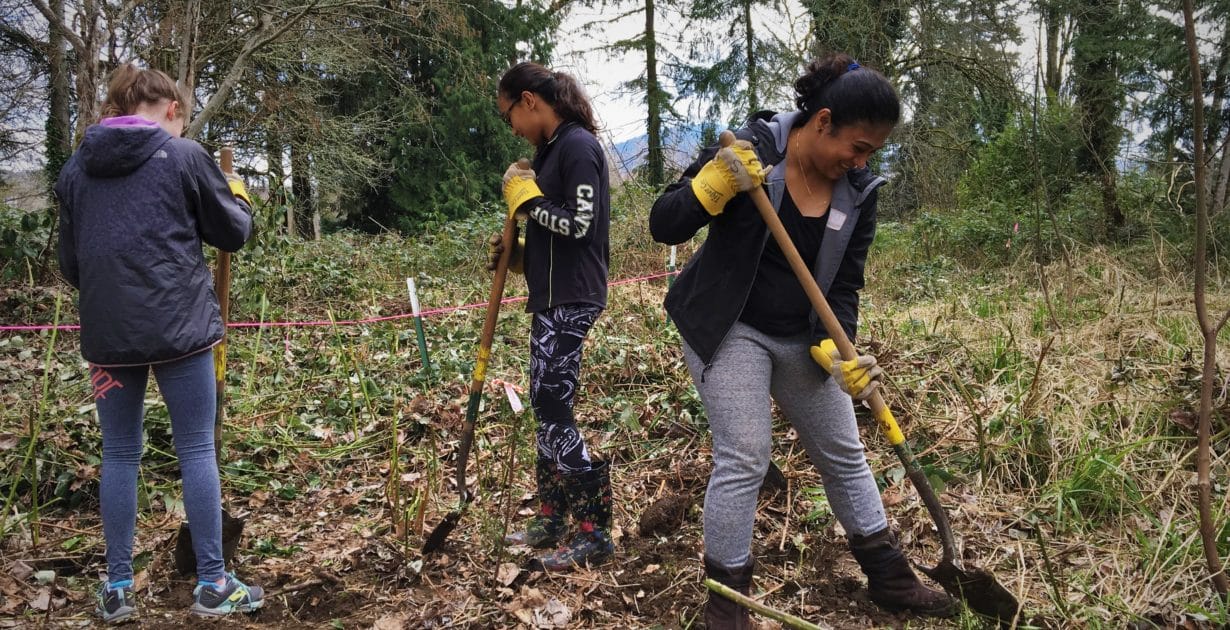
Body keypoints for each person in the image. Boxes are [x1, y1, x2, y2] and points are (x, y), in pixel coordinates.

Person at [649, 54, 957, 626]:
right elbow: (664, 222)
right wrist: (712, 183)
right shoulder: (749, 149)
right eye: (858, 147)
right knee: (745, 454)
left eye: (872, 152)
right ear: (822, 121)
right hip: (727, 326)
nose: (862, 161)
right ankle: (727, 605)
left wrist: (837, 351)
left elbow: (843, 286)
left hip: (800, 334)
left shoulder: (859, 192)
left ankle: (889, 579)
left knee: (843, 451)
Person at [55, 63, 263, 623]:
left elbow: (72, 264)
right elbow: (232, 232)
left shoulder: (76, 170)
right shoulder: (185, 156)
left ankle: (117, 587)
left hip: (107, 339)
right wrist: (237, 197)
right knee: (195, 447)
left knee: (119, 453)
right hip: (182, 334)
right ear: (172, 109)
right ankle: (214, 584)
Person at [488, 61, 614, 571]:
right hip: (549, 294)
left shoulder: (579, 146)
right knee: (544, 402)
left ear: (529, 101)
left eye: (508, 115)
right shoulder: (548, 151)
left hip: (574, 296)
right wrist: (518, 257)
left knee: (552, 403)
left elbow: (581, 225)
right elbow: (553, 231)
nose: (511, 128)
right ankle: (552, 515)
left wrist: (530, 200)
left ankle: (593, 530)